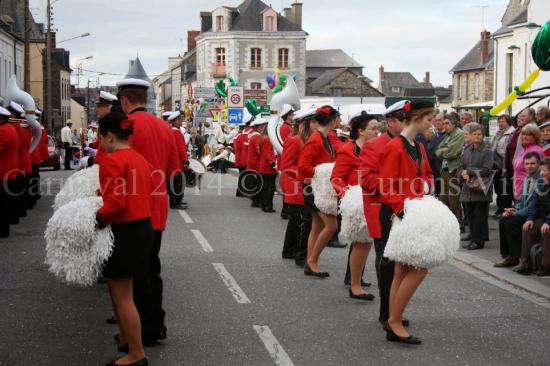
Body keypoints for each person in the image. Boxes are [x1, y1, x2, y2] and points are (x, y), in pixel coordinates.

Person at [116, 78, 180, 345]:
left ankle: (140, 332)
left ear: (125, 101)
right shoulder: (165, 127)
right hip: (158, 206)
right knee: (152, 268)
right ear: (146, 98)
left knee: (133, 272)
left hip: (133, 206)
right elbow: (174, 168)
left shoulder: (126, 126)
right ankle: (155, 325)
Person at [96, 111, 153, 366]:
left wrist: (97, 219)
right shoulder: (140, 159)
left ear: (109, 136)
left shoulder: (112, 161)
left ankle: (136, 353)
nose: (100, 144)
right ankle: (126, 340)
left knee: (123, 296)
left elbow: (115, 203)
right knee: (121, 291)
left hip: (124, 231)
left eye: (100, 138)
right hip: (142, 227)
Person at [378, 99, 434, 345]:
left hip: (413, 211)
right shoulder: (394, 147)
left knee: (402, 269)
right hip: (398, 213)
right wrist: (404, 209)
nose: (432, 124)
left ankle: (394, 320)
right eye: (429, 119)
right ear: (418, 118)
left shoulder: (418, 146)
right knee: (419, 266)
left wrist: (426, 188)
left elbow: (427, 175)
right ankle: (394, 322)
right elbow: (385, 186)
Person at [359, 100, 407, 330]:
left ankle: (396, 311)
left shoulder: (411, 144)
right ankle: (387, 313)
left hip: (406, 210)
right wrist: (395, 185)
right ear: (390, 122)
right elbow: (366, 180)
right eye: (405, 121)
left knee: (404, 264)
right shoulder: (373, 145)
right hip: (381, 209)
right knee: (387, 263)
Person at [331, 111, 379, 300]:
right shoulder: (347, 150)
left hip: (369, 199)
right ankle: (354, 282)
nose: (377, 132)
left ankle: (353, 277)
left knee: (364, 242)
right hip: (354, 202)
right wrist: (347, 195)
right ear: (360, 131)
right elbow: (335, 178)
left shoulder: (373, 148)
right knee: (361, 241)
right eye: (373, 129)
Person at [298, 105, 339, 277]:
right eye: (338, 117)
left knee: (317, 226)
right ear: (331, 120)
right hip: (315, 188)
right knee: (331, 226)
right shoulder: (316, 139)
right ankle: (312, 261)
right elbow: (303, 167)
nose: (340, 120)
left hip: (318, 187)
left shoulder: (325, 137)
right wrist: (323, 172)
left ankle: (311, 261)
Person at [280, 109, 316, 266]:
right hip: (297, 185)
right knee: (302, 221)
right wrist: (305, 174)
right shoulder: (295, 140)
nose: (317, 125)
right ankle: (298, 254)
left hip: (304, 184)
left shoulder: (309, 139)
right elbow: (286, 165)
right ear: (306, 123)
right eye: (314, 122)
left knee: (296, 221)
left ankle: (288, 250)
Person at [495, 152, 540, 268]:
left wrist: (517, 212)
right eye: (527, 164)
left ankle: (515, 256)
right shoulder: (527, 179)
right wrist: (513, 209)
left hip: (535, 214)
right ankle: (508, 255)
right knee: (503, 219)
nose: (529, 166)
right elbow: (521, 200)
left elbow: (535, 205)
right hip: (524, 211)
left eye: (533, 163)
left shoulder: (541, 180)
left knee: (512, 222)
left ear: (539, 164)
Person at [458, 123, 494, 250]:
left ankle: (478, 241)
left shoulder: (487, 152)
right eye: (474, 134)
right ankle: (473, 238)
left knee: (479, 217)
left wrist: (469, 172)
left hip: (481, 188)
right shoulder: (467, 151)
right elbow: (461, 166)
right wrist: (462, 173)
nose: (477, 136)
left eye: (479, 134)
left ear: (483, 136)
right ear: (471, 136)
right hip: (468, 188)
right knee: (471, 216)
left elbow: (487, 170)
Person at [515, 157, 550, 277]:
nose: (542, 173)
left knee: (546, 231)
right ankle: (525, 264)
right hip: (543, 217)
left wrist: (548, 222)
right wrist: (530, 219)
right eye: (541, 170)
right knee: (528, 228)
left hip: (548, 219)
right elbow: (533, 202)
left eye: (545, 171)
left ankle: (546, 266)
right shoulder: (541, 183)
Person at [436, 114, 465, 226]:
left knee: (454, 199)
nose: (445, 126)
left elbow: (451, 153)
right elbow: (438, 151)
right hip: (444, 169)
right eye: (444, 123)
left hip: (453, 170)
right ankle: (448, 223)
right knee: (444, 198)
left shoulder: (459, 134)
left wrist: (444, 151)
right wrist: (445, 151)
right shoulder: (448, 135)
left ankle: (458, 223)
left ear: (454, 124)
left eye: (447, 123)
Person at [490, 115, 515, 216]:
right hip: (495, 164)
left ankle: (504, 209)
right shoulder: (498, 133)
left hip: (504, 165)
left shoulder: (511, 133)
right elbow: (492, 146)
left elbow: (506, 150)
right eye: (499, 121)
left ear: (508, 122)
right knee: (498, 188)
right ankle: (500, 208)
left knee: (505, 189)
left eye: (503, 121)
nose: (500, 123)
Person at [0, 106, 19, 238]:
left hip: (3, 169)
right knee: (6, 200)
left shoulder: (3, 131)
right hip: (9, 167)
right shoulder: (10, 128)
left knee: (2, 203)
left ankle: (2, 230)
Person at [512, 124, 544, 200]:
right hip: (520, 190)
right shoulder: (524, 149)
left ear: (535, 137)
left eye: (528, 135)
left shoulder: (536, 150)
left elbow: (538, 174)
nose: (524, 137)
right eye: (523, 134)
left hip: (528, 192)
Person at [167, 111, 188, 210]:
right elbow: (181, 149)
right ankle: (175, 201)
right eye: (179, 120)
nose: (181, 121)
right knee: (178, 182)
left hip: (175, 160)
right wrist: (185, 160)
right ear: (174, 121)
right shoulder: (176, 132)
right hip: (178, 162)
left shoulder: (171, 131)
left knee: (176, 182)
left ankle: (177, 200)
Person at [279, 104, 295, 220]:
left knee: (288, 186)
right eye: (292, 114)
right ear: (288, 116)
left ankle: (287, 210)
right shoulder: (286, 128)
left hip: (285, 158)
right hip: (287, 159)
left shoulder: (288, 127)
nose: (293, 116)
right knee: (287, 186)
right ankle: (286, 211)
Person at [258, 119, 277, 213]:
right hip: (268, 167)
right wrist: (273, 163)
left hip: (264, 165)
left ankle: (264, 205)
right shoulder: (268, 139)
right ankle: (267, 206)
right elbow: (267, 154)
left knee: (265, 186)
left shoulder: (263, 137)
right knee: (270, 187)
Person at [234, 110, 254, 197]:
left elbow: (236, 147)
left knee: (242, 175)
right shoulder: (251, 134)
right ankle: (245, 192)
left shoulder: (239, 135)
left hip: (239, 159)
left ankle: (239, 192)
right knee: (248, 176)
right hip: (246, 159)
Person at [247, 118, 265, 208]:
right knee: (259, 183)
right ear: (259, 127)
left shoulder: (252, 135)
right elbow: (259, 151)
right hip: (256, 163)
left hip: (251, 162)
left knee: (255, 182)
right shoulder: (257, 136)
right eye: (263, 126)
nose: (264, 128)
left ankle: (255, 200)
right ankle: (256, 201)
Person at [426, 113, 446, 196]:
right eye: (436, 120)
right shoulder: (434, 137)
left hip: (444, 173)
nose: (437, 123)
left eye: (440, 120)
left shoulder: (448, 136)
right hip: (434, 174)